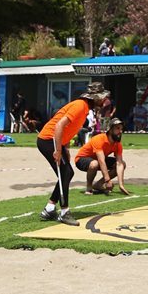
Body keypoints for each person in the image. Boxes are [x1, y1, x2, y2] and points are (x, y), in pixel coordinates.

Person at [37, 81, 110, 226]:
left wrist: (65, 149)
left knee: (67, 173)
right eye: (101, 98)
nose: (103, 101)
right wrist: (58, 150)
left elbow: (67, 130)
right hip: (48, 141)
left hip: (56, 142)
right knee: (65, 173)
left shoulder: (84, 109)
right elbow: (59, 126)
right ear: (94, 97)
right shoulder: (79, 106)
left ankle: (50, 208)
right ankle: (64, 212)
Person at [75, 117, 130, 194]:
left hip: (97, 159)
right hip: (81, 159)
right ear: (110, 130)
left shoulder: (117, 144)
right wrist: (107, 180)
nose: (120, 131)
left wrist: (121, 185)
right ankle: (89, 187)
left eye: (121, 129)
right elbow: (101, 161)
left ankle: (98, 184)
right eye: (117, 128)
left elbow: (119, 164)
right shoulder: (99, 139)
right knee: (94, 164)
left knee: (122, 164)